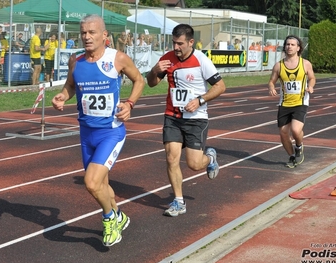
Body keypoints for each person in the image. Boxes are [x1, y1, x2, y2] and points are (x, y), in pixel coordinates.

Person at [51, 14, 144, 246]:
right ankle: (120, 216)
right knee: (101, 186)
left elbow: (139, 80)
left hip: (110, 132)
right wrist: (63, 96)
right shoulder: (76, 61)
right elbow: (71, 85)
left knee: (91, 182)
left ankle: (109, 219)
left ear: (104, 36)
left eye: (92, 32)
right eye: (83, 32)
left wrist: (129, 104)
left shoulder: (118, 59)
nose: (86, 37)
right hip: (86, 133)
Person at [146, 24, 226, 217]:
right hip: (172, 116)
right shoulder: (167, 59)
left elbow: (220, 87)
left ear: (191, 42)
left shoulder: (202, 61)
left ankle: (210, 158)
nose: (176, 47)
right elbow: (151, 83)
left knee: (194, 164)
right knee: (171, 157)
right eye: (174, 43)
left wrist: (199, 100)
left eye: (180, 43)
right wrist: (155, 70)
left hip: (195, 118)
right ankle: (178, 201)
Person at [268, 35, 316, 168]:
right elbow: (271, 81)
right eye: (287, 44)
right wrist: (271, 88)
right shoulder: (279, 66)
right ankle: (292, 156)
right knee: (283, 132)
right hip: (284, 103)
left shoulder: (305, 64)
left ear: (298, 48)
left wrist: (310, 86)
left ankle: (299, 146)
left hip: (300, 102)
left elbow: (312, 78)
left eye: (292, 45)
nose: (289, 47)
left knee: (295, 130)